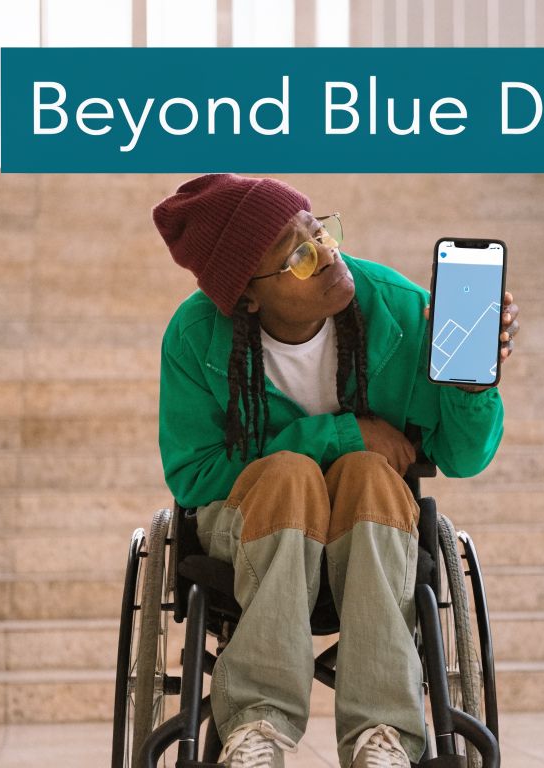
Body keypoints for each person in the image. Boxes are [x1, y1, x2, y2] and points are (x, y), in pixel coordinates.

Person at [152, 173, 520, 768]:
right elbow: (194, 478)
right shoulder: (196, 338)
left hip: (370, 531)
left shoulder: (394, 309)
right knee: (291, 474)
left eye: (319, 230)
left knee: (369, 474)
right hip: (250, 534)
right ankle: (257, 730)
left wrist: (473, 384)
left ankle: (384, 735)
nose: (326, 254)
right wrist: (342, 433)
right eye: (297, 256)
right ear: (246, 294)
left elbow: (463, 455)